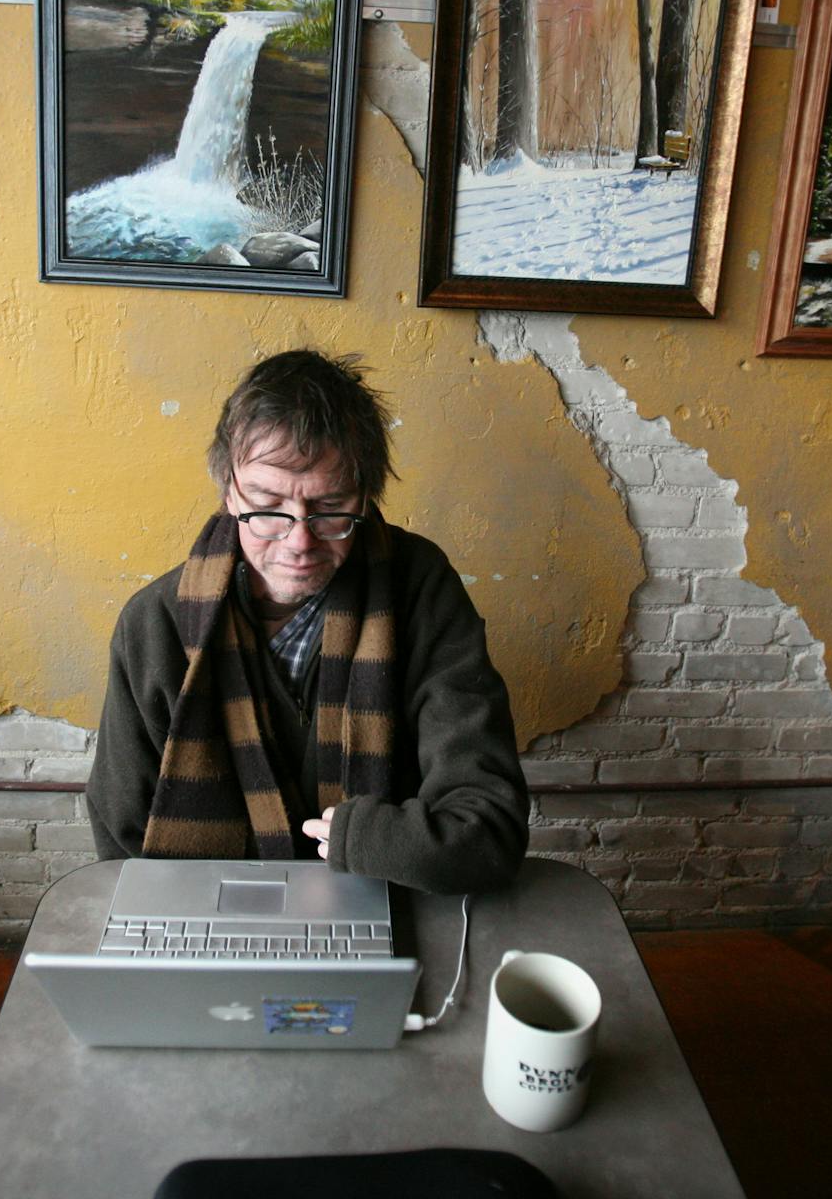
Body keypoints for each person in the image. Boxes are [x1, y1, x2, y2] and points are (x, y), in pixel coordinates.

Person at [87, 349, 528, 893]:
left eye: (331, 507)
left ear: (366, 495)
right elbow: (124, 845)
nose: (300, 541)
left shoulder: (419, 589)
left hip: (393, 898)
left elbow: (488, 831)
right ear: (229, 491)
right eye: (268, 505)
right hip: (211, 915)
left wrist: (366, 837)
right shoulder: (154, 624)